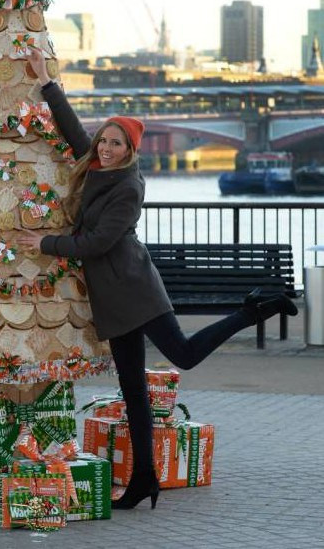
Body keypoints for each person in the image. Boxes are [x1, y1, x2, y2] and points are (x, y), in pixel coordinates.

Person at [18, 47, 298, 510]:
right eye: (103, 141)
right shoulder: (95, 166)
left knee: (183, 355)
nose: (105, 149)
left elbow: (99, 243)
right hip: (111, 298)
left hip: (134, 287)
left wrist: (44, 243)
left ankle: (252, 310)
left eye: (115, 144)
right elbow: (71, 130)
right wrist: (47, 82)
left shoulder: (128, 186)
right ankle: (144, 478)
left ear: (130, 151)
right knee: (133, 393)